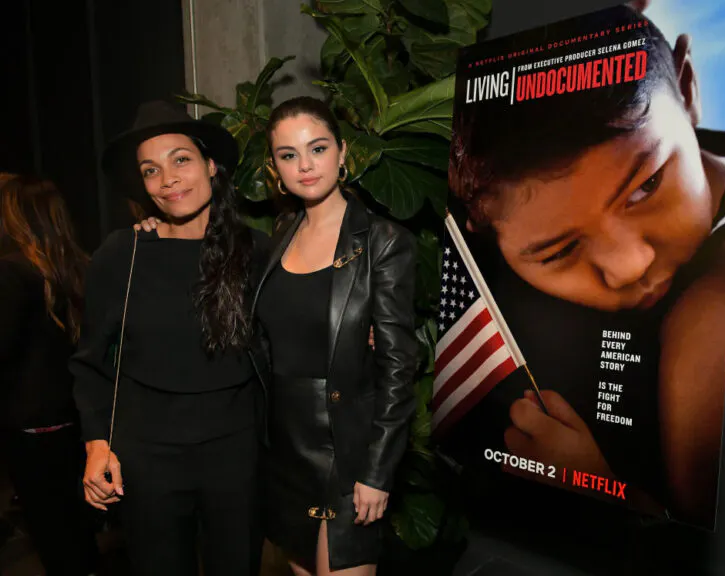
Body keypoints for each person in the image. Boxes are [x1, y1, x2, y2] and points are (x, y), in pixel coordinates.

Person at [448, 4, 725, 526]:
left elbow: (713, 551)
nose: (629, 266)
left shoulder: (715, 320)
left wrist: (599, 492)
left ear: (690, 88)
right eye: (558, 251)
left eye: (647, 184)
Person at [70, 101, 268, 576]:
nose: (168, 179)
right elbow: (89, 362)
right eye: (151, 170)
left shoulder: (256, 251)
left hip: (236, 454)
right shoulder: (122, 254)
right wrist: (97, 445)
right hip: (147, 457)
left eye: (181, 159)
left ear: (210, 165)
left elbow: (294, 325)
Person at [254, 96, 418, 575]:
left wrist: (377, 471)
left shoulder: (383, 242)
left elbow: (397, 366)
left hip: (346, 451)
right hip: (286, 453)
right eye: (288, 155)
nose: (305, 165)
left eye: (318, 148)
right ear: (275, 167)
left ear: (343, 153)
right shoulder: (279, 235)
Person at [0, 173, 98, 575]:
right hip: (73, 420)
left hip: (30, 427)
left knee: (54, 537)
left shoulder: (11, 272)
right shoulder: (81, 265)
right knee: (77, 530)